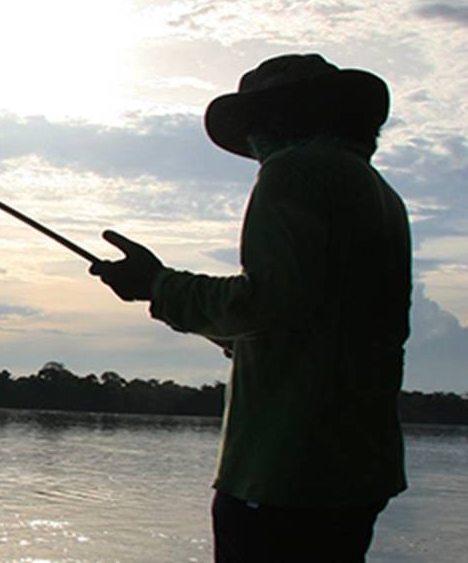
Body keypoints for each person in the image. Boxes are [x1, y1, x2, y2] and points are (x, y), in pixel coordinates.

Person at [88, 54, 410, 562]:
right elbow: (313, 318)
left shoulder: (293, 172)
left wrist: (159, 285)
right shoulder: (379, 193)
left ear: (284, 117)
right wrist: (168, 295)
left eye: (256, 122)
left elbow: (266, 305)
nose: (254, 139)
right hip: (358, 471)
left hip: (285, 472)